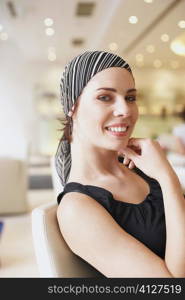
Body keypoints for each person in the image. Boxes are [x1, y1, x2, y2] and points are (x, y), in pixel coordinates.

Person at [55, 51, 185, 278]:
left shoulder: (141, 169)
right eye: (105, 97)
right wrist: (167, 176)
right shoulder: (77, 209)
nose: (125, 110)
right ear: (72, 106)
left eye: (131, 98)